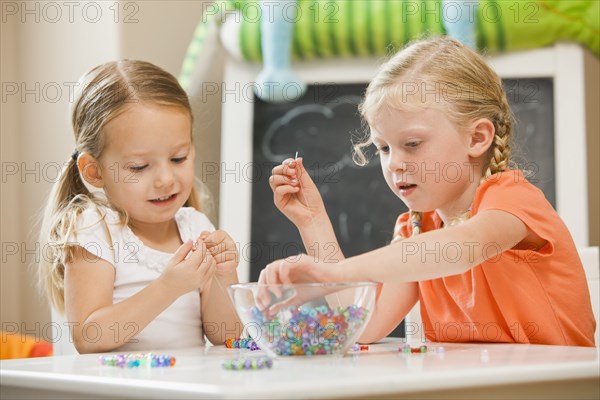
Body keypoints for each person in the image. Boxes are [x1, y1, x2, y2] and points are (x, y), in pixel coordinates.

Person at [263, 36, 596, 347]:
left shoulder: (512, 200)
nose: (394, 164)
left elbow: (461, 249)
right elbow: (365, 325)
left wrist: (336, 273)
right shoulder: (416, 230)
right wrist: (313, 222)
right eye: (383, 148)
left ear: (477, 138)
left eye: (412, 144)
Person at [38, 60, 241, 353]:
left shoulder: (195, 227)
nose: (165, 179)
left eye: (178, 158)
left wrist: (224, 276)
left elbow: (227, 335)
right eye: (139, 166)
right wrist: (168, 287)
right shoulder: (95, 229)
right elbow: (88, 337)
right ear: (94, 171)